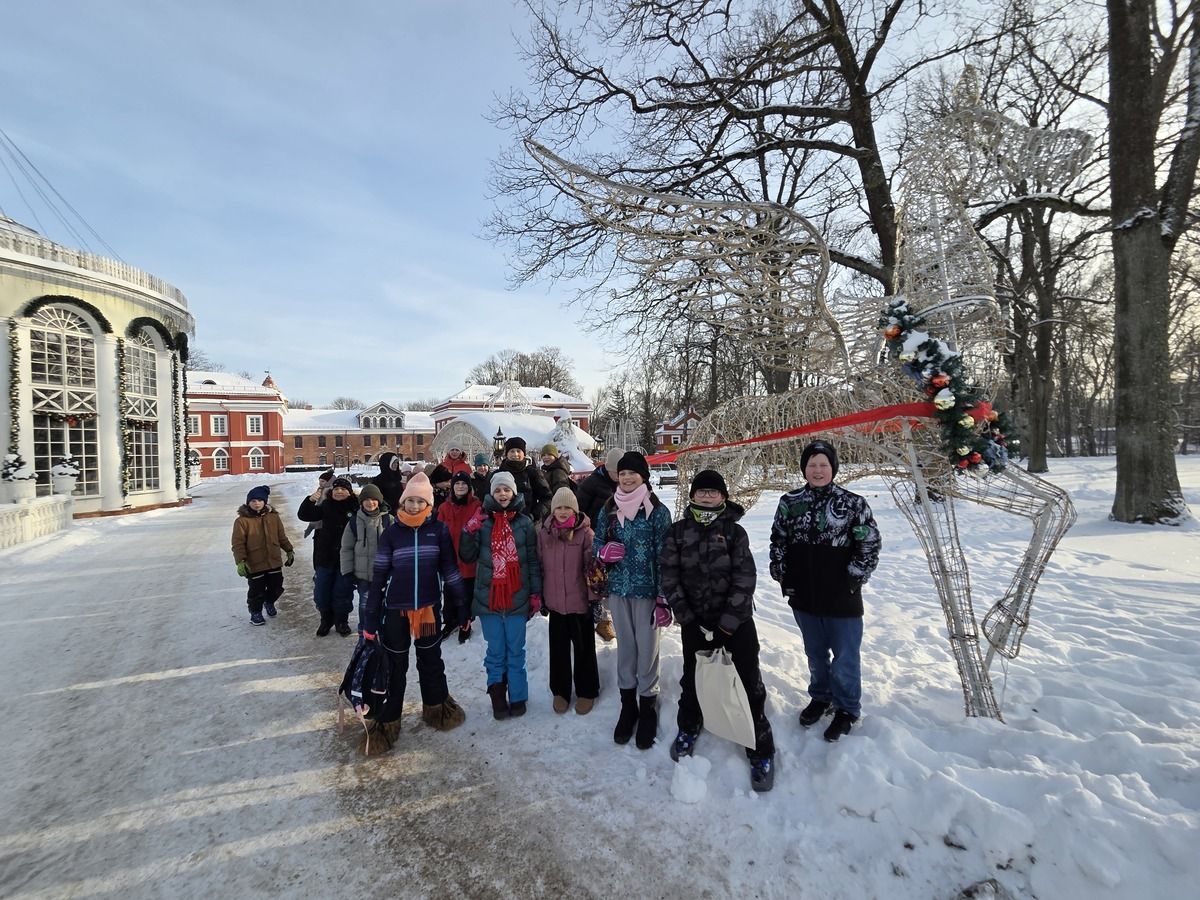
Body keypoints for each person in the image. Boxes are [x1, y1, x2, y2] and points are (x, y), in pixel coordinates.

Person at [661, 470, 775, 791]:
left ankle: (760, 748)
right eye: (702, 491)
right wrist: (687, 618)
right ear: (692, 496)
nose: (707, 496)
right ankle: (689, 726)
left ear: (723, 497)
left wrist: (727, 625)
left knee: (748, 682)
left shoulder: (735, 532)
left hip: (735, 623)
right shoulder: (677, 533)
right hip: (694, 621)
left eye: (714, 492)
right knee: (693, 678)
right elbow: (669, 576)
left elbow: (745, 578)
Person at [769, 440, 881, 742]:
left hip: (841, 595)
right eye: (812, 465)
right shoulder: (790, 502)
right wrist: (782, 573)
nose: (817, 470)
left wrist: (853, 578)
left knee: (845, 656)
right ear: (803, 468)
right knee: (815, 653)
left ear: (833, 468)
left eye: (823, 464)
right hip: (804, 594)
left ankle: (847, 708)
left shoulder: (853, 503)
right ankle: (821, 696)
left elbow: (869, 542)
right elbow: (778, 540)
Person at [360, 471, 467, 753]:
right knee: (394, 666)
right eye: (411, 500)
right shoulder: (392, 534)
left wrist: (461, 605)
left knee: (430, 660)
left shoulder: (439, 531)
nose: (415, 506)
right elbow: (379, 576)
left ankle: (436, 708)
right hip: (396, 611)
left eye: (421, 501)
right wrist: (370, 618)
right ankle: (387, 720)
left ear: (429, 504)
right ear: (403, 502)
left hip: (428, 609)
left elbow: (450, 571)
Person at [593, 451, 672, 749]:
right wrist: (602, 552)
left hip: (648, 592)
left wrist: (663, 597)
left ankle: (648, 705)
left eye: (632, 474)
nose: (626, 478)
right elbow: (597, 541)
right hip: (618, 589)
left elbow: (666, 556)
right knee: (626, 647)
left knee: (648, 649)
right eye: (622, 473)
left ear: (643, 477)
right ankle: (628, 706)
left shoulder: (657, 511)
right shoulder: (609, 508)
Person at [459, 470, 543, 720]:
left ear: (514, 493)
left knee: (516, 651)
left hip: (517, 597)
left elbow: (532, 561)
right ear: (491, 493)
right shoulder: (483, 522)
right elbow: (467, 556)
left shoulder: (525, 523)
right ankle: (497, 695)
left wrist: (535, 592)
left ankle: (517, 696)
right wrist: (468, 531)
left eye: (507, 489)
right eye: (498, 490)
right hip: (489, 599)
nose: (502, 494)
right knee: (495, 651)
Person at [536, 486, 599, 715]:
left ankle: (587, 690)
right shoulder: (544, 533)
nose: (563, 512)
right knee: (559, 650)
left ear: (575, 510)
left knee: (584, 649)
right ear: (553, 510)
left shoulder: (585, 534)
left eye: (567, 508)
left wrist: (593, 599)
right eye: (559, 507)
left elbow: (592, 570)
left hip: (579, 603)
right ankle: (560, 691)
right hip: (555, 603)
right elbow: (540, 566)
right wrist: (541, 596)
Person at [297, 475, 359, 636]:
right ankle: (326, 619)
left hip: (346, 559)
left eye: (343, 489)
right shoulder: (326, 505)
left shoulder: (356, 507)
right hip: (325, 556)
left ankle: (341, 621)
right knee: (321, 592)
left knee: (342, 592)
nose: (339, 492)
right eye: (336, 489)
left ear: (350, 492)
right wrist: (310, 500)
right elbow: (304, 515)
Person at [576, 447, 623, 643]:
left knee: (612, 578)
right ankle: (601, 618)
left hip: (617, 538)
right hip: (595, 536)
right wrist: (587, 531)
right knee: (596, 577)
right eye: (616, 472)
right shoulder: (593, 483)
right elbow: (579, 509)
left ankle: (614, 615)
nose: (620, 477)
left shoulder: (625, 483)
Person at [232, 485, 294, 626]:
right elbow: (238, 543)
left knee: (277, 587)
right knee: (256, 590)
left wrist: (289, 550)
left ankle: (269, 602)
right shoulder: (242, 521)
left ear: (265, 501)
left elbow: (281, 536)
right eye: (253, 501)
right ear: (248, 502)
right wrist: (241, 561)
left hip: (273, 560)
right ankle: (255, 612)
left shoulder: (273, 517)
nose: (257, 503)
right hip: (254, 562)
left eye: (260, 500)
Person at [339, 483, 395, 634]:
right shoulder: (354, 522)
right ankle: (364, 634)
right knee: (365, 605)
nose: (370, 503)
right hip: (362, 575)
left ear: (379, 501)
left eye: (374, 499)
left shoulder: (389, 520)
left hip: (383, 573)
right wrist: (347, 572)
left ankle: (382, 633)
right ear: (361, 502)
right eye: (366, 500)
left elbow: (396, 547)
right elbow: (346, 548)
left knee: (384, 604)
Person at [436, 470, 482, 643]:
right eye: (457, 484)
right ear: (452, 487)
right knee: (449, 594)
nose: (461, 486)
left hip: (468, 557)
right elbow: (439, 530)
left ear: (469, 487)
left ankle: (465, 623)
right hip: (450, 558)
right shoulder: (444, 507)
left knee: (466, 595)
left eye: (464, 484)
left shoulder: (476, 505)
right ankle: (450, 621)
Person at [496, 436, 552, 522]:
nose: (515, 454)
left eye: (518, 451)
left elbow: (547, 498)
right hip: (501, 522)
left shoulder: (533, 474)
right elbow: (488, 498)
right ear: (507, 454)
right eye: (512, 451)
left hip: (527, 523)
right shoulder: (498, 474)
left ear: (524, 454)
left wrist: (533, 515)